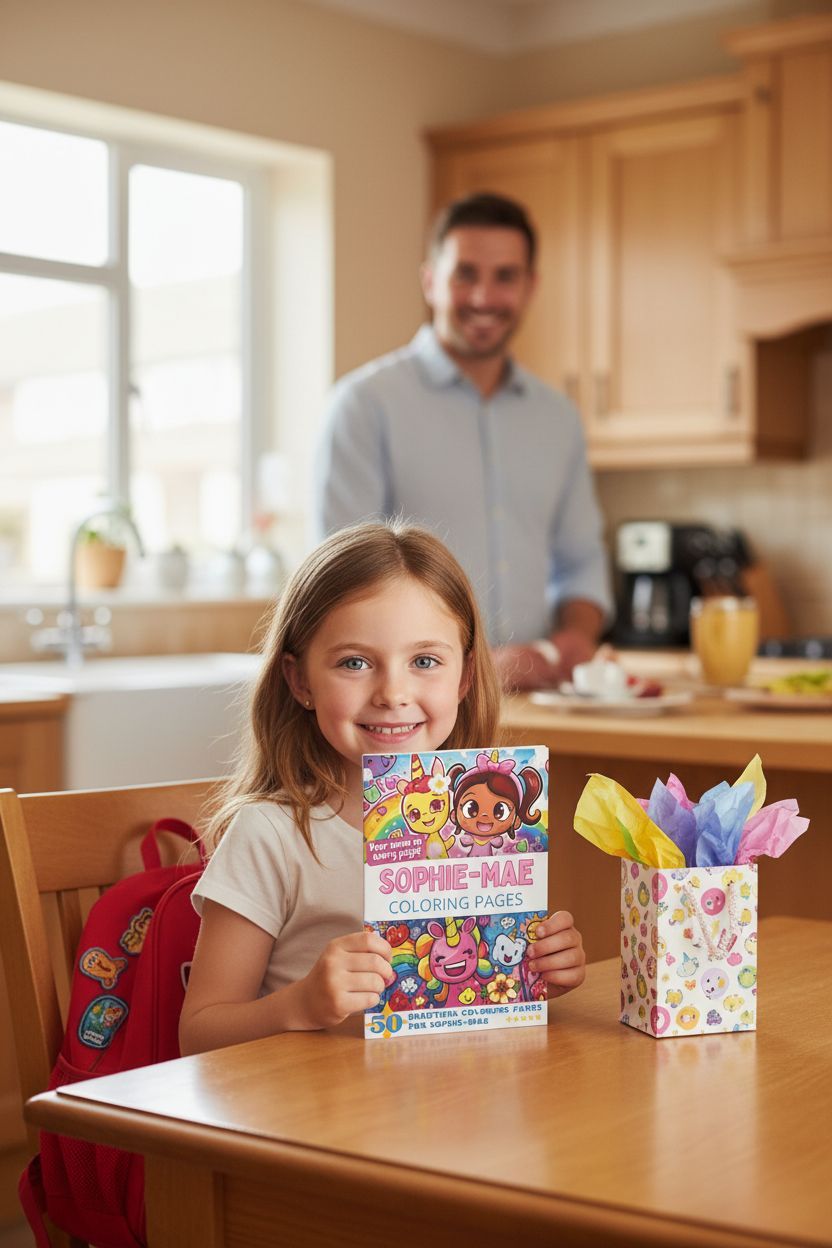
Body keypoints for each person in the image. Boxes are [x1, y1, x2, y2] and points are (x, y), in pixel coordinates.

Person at [179, 521, 586, 1054]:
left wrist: (537, 973)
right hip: (311, 1117)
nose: (393, 692)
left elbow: (469, 989)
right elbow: (198, 1035)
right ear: (300, 681)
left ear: (464, 677)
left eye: (425, 661)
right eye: (355, 662)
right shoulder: (272, 835)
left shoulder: (484, 823)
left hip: (451, 1107)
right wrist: (300, 1005)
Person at [315, 192, 613, 692]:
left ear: (530, 286)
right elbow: (343, 584)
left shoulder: (557, 419)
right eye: (465, 274)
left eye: (505, 277)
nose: (483, 298)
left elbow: (581, 560)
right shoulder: (364, 405)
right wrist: (457, 669)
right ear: (431, 280)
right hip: (409, 711)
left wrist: (573, 645)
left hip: (535, 705)